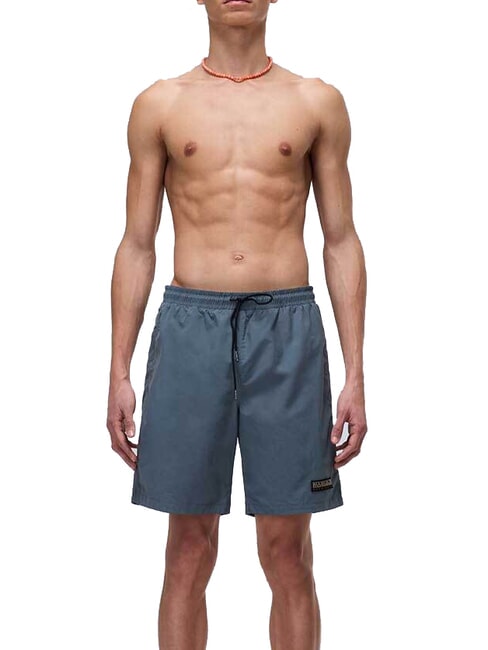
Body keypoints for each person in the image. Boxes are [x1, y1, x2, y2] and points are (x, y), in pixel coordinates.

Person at [106, 0, 368, 647]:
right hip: (190, 326)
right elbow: (137, 243)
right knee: (188, 548)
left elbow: (341, 239)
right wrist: (118, 370)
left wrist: (356, 373)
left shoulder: (316, 101)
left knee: (287, 551)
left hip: (287, 328)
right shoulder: (160, 104)